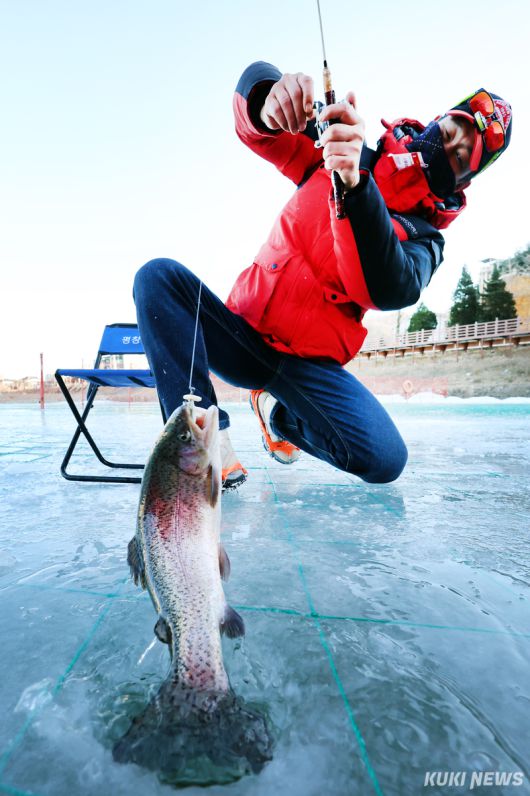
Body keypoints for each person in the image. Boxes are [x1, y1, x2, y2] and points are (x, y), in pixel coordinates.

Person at [133, 61, 512, 490]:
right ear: (437, 120)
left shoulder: (425, 237)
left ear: (464, 180)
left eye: (461, 157)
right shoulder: (343, 145)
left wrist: (354, 187)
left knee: (386, 459)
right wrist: (269, 97)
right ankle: (203, 439)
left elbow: (384, 289)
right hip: (243, 335)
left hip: (308, 367)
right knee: (157, 278)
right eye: (451, 131)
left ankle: (278, 415)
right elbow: (261, 130)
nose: (448, 147)